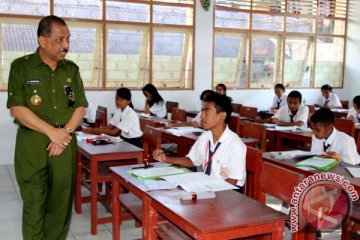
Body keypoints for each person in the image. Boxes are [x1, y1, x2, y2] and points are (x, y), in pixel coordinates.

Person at [6, 15, 88, 240]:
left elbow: (79, 106)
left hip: (65, 144)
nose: (66, 45)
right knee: (34, 206)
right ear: (42, 41)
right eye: (60, 40)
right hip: (33, 144)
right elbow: (17, 109)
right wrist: (53, 133)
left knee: (60, 207)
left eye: (68, 39)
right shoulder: (22, 67)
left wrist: (64, 134)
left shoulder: (71, 70)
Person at [153, 93, 247, 190]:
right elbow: (192, 160)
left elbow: (232, 181)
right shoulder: (205, 136)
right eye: (202, 111)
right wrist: (166, 159)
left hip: (225, 193)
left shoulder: (235, 145)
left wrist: (208, 192)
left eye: (207, 112)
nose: (202, 116)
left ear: (222, 115)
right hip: (206, 185)